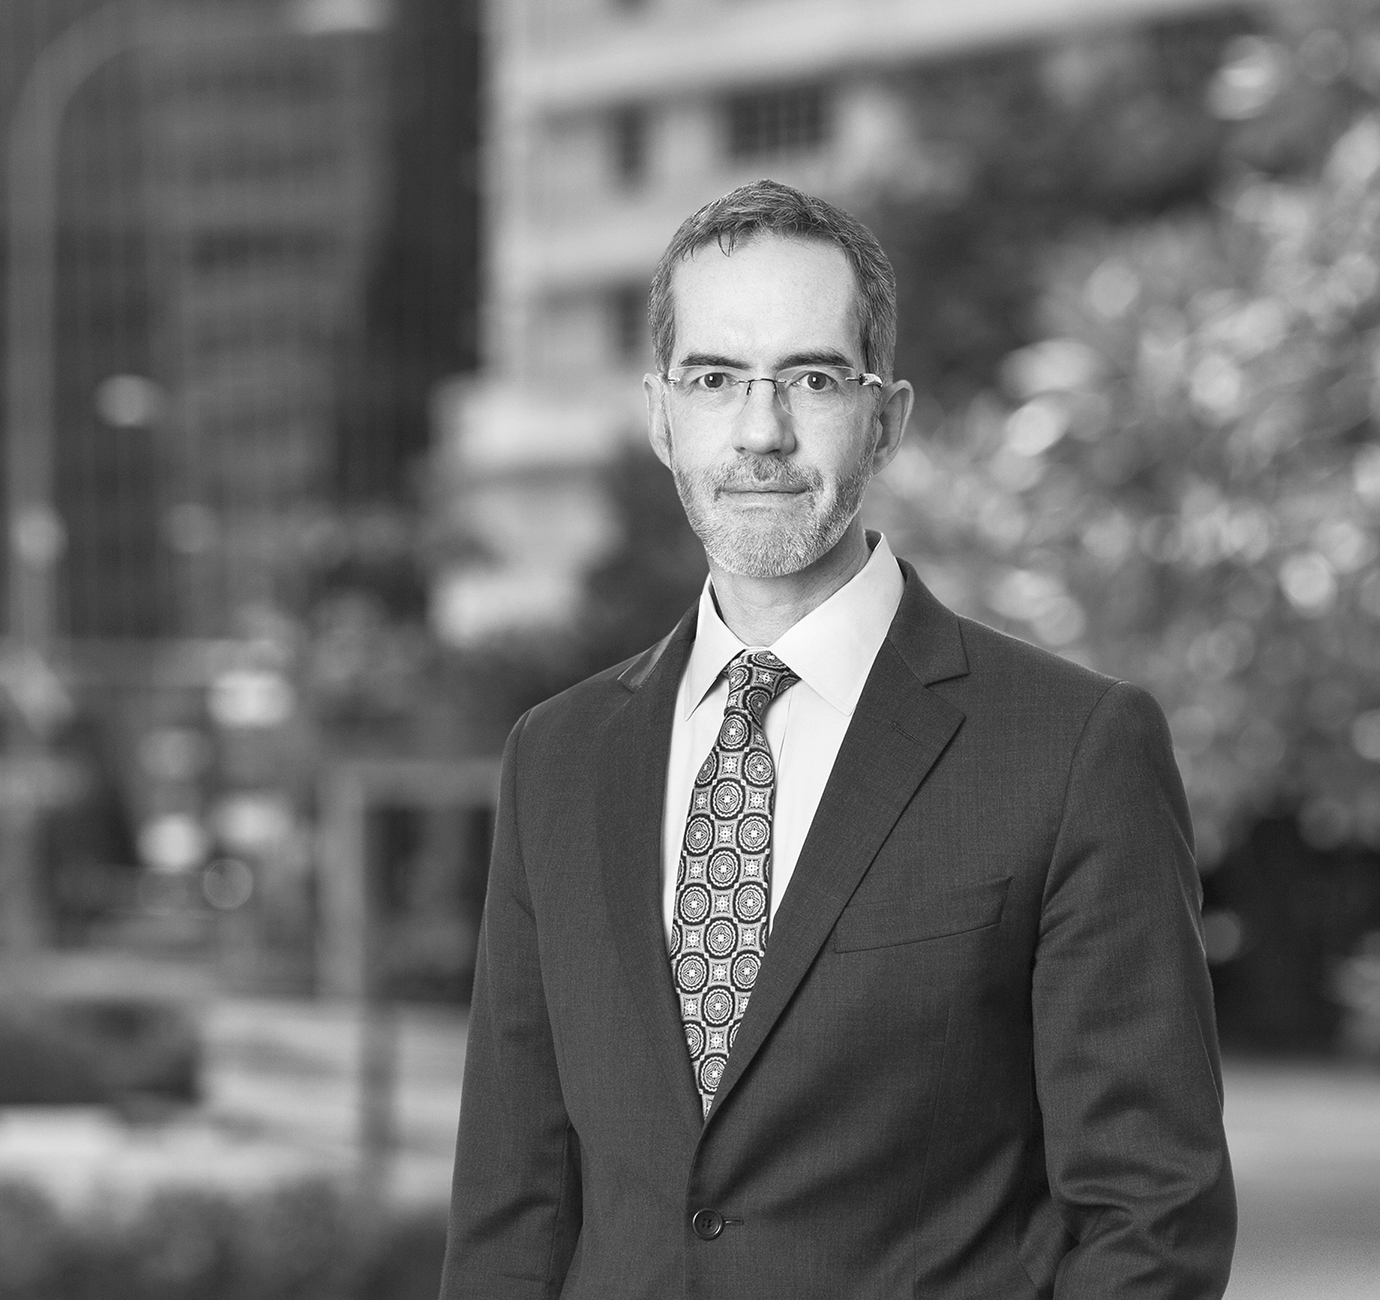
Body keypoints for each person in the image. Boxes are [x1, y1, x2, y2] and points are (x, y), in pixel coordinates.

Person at [439, 180, 1235, 1299]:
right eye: (714, 379)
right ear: (661, 416)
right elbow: (512, 1206)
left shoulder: (1071, 748)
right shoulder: (556, 758)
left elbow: (1151, 1217)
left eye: (811, 379)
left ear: (886, 418)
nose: (759, 431)